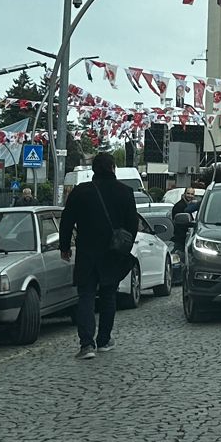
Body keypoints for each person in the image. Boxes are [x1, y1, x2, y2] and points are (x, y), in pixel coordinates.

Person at [57, 152, 138, 360]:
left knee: (86, 296)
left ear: (93, 170)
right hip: (112, 252)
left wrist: (64, 246)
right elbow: (132, 225)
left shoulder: (81, 192)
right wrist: (124, 248)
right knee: (109, 295)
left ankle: (86, 345)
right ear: (113, 168)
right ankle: (104, 340)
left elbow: (66, 221)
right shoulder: (125, 192)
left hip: (87, 252)